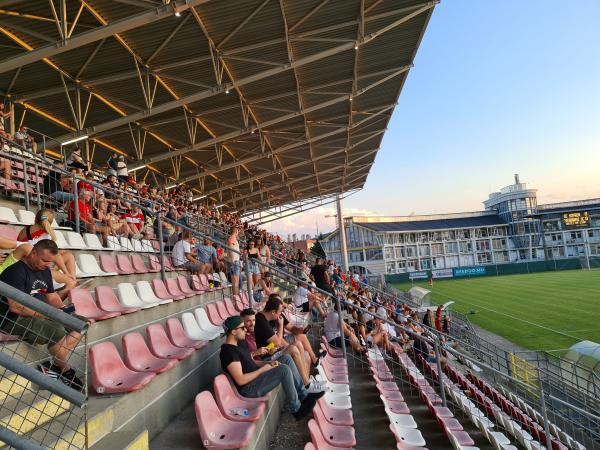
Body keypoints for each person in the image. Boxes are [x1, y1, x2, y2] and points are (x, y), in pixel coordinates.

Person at [0, 239, 83, 390]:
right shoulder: (15, 272)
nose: (47, 265)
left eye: (51, 262)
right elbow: (16, 307)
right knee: (57, 331)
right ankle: (65, 371)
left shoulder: (44, 271)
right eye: (44, 260)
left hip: (37, 313)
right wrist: (46, 315)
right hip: (10, 319)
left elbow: (51, 297)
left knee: (82, 323)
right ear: (33, 253)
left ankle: (56, 367)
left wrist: (63, 309)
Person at [219, 315, 322, 420]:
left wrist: (267, 364)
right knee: (283, 370)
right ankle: (296, 409)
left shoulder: (239, 343)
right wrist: (263, 370)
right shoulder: (228, 352)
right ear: (233, 332)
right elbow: (241, 380)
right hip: (248, 389)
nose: (245, 329)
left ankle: (303, 395)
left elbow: (252, 362)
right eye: (242, 328)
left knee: (286, 358)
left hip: (256, 378)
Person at [254, 296, 322, 390]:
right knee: (294, 349)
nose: (280, 314)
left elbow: (277, 341)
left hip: (274, 349)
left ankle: (307, 383)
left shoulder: (270, 316)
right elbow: (277, 342)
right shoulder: (260, 321)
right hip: (268, 356)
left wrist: (300, 330)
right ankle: (306, 385)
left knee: (302, 349)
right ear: (273, 312)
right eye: (279, 312)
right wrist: (281, 325)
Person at [16, 209, 76, 298]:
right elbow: (55, 256)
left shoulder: (24, 230)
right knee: (71, 283)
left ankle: (70, 279)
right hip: (37, 269)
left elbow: (19, 246)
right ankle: (53, 306)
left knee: (68, 256)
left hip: (35, 264)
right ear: (50, 222)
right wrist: (66, 272)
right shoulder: (47, 234)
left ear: (36, 218)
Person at [227, 225, 241, 296]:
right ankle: (236, 296)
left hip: (235, 260)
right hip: (234, 261)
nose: (238, 232)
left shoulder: (233, 238)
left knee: (236, 281)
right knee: (235, 281)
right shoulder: (232, 238)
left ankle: (236, 296)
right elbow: (230, 248)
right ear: (236, 231)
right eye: (238, 231)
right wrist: (232, 259)